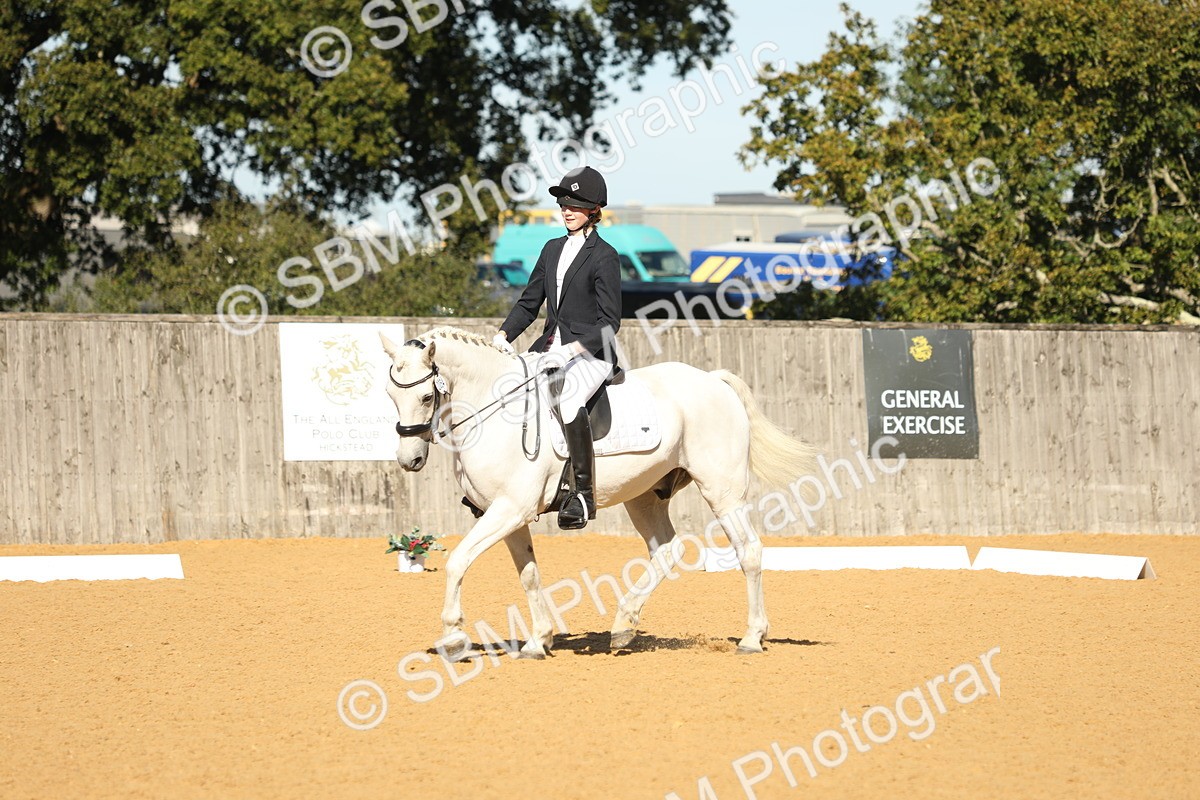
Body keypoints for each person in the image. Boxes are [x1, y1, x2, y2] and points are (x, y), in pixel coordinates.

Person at [493, 165, 621, 530]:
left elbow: (610, 323)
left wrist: (570, 351)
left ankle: (582, 495)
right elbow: (529, 303)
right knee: (509, 391)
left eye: (575, 204)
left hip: (591, 354)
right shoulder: (551, 249)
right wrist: (503, 335)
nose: (566, 209)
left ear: (594, 209)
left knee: (567, 399)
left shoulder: (604, 255)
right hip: (547, 347)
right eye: (564, 203)